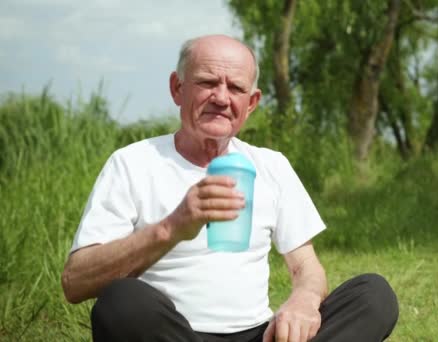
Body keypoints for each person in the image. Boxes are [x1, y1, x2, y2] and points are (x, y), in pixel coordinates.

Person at [61, 34, 399, 342]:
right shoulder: (132, 163)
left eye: (235, 88)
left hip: (259, 336)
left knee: (373, 296)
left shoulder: (271, 165)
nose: (221, 98)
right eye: (207, 82)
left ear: (251, 103)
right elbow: (75, 283)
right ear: (178, 89)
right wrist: (172, 227)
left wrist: (304, 300)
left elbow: (305, 266)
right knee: (121, 302)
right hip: (173, 334)